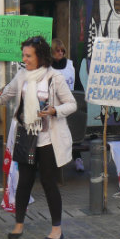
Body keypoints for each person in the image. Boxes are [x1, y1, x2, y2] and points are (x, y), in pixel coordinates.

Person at [0, 36, 76, 239]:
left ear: (40, 57)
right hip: (26, 136)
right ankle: (18, 224)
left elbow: (72, 104)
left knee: (49, 183)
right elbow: (6, 95)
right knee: (24, 182)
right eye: (23, 55)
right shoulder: (21, 75)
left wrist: (55, 110)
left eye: (28, 56)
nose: (24, 59)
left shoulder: (54, 77)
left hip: (48, 139)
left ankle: (56, 228)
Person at [50, 39, 83, 172]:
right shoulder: (48, 67)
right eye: (57, 50)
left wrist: (79, 99)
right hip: (54, 106)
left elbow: (78, 84)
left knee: (74, 132)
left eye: (62, 50)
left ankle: (77, 158)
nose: (60, 53)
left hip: (69, 104)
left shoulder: (70, 65)